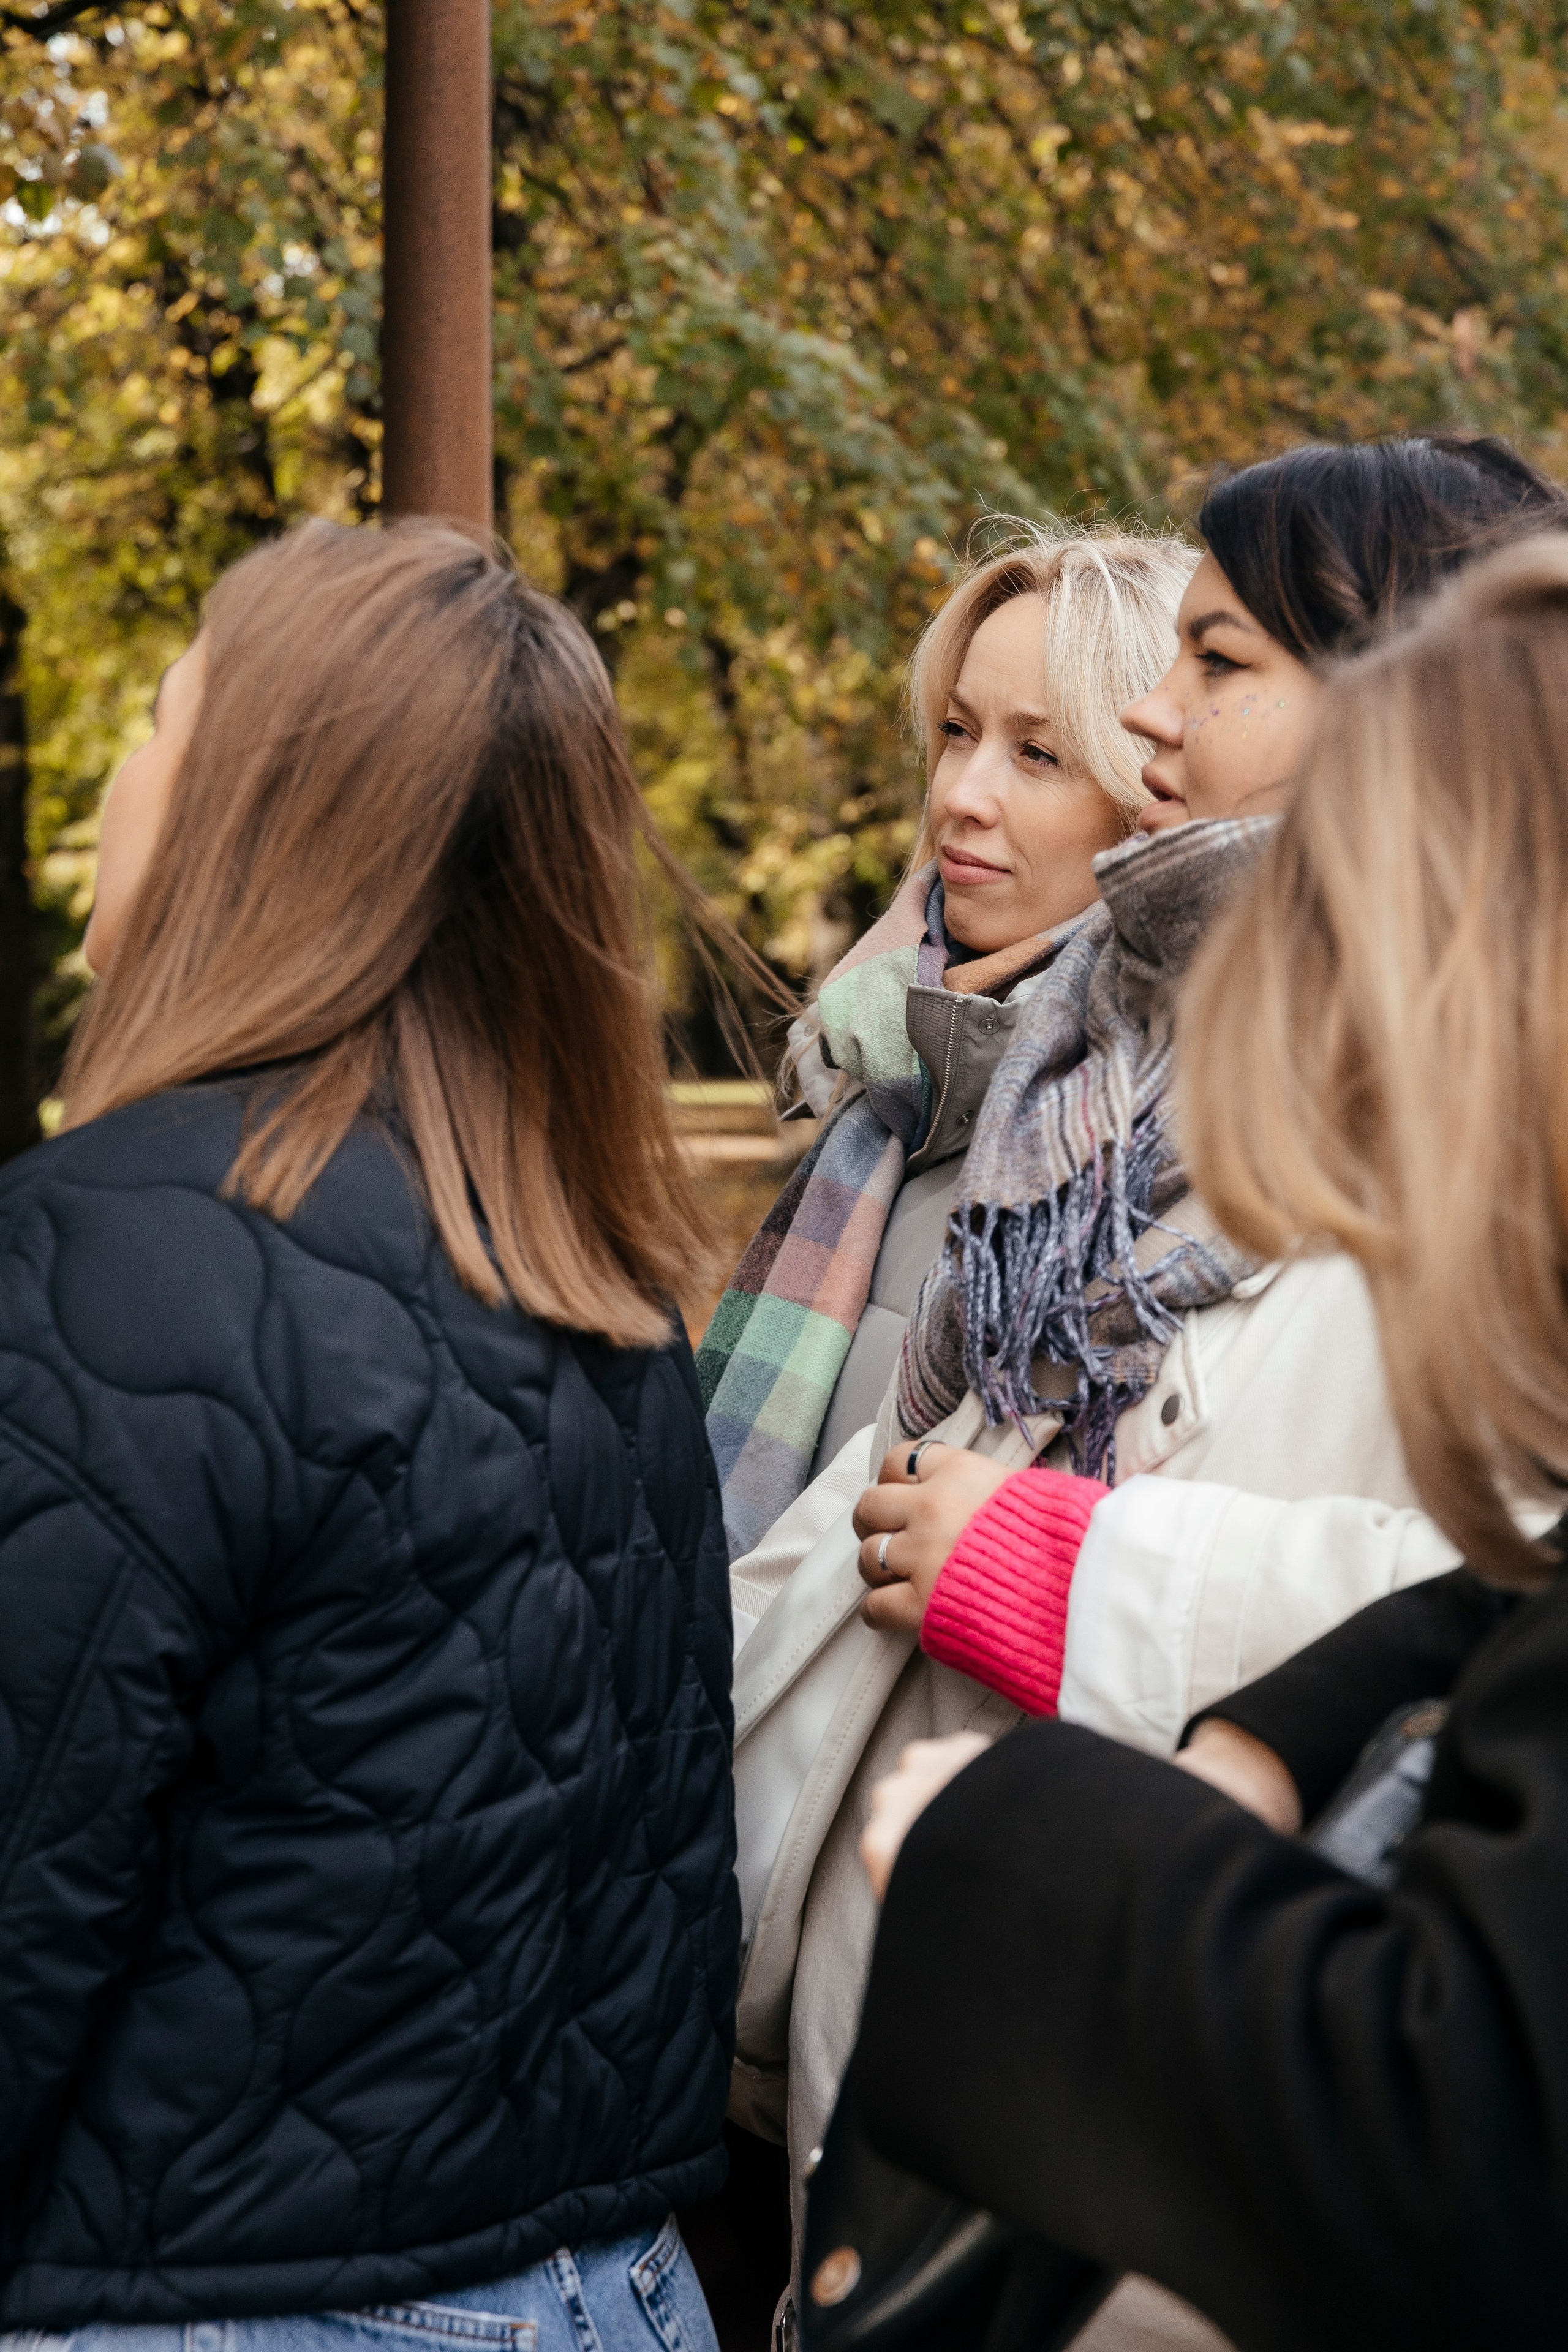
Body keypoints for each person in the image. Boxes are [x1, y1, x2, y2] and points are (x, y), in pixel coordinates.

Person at [724, 432, 1566, 2344]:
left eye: (1218, 659)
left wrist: (1064, 1573)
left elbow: (1505, 1592)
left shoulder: (1460, 1111)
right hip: (940, 2066)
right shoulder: (1053, 1075)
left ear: (1406, 695)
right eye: (962, 733)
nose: (1145, 717)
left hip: (1199, 2120)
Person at [0, 520, 741, 2348]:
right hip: (610, 2292)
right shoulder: (589, 1257)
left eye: (164, 718)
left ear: (260, 807)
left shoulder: (117, 1249)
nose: (117, 772)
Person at [700, 523, 1197, 1571]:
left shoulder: (1159, 1156)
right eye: (958, 732)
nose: (960, 795)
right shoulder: (893, 1081)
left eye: (1039, 753)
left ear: (1149, 789)